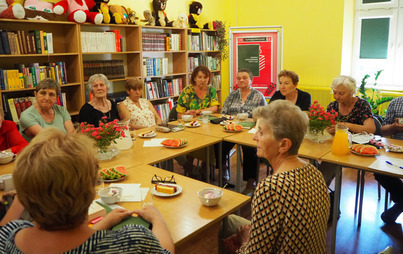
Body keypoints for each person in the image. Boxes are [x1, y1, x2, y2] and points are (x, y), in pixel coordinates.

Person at [0, 128, 175, 253]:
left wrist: (104, 223)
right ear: (92, 190)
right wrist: (157, 219)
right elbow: (165, 250)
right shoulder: (133, 242)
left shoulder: (9, 235)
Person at [219, 100, 329, 253]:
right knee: (230, 221)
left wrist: (245, 240)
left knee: (223, 225)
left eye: (261, 132)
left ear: (284, 145)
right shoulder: (314, 172)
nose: (254, 137)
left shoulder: (270, 188)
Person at [320, 75, 376, 186]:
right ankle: (320, 193)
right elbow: (326, 126)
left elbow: (371, 129)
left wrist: (344, 125)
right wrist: (329, 128)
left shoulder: (362, 105)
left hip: (355, 148)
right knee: (318, 164)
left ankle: (320, 193)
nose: (337, 96)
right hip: (335, 146)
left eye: (341, 93)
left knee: (327, 166)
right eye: (335, 92)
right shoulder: (333, 106)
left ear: (352, 92)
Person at [218, 68, 266, 193]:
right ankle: (223, 170)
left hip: (249, 132)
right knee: (218, 143)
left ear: (251, 80)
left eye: (244, 78)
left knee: (250, 149)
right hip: (231, 129)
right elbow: (224, 113)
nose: (241, 80)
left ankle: (251, 182)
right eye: (238, 78)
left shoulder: (258, 96)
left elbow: (264, 116)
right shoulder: (232, 95)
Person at [176, 65, 220, 177]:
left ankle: (205, 166)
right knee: (197, 139)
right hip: (190, 126)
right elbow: (179, 114)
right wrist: (186, 114)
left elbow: (215, 107)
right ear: (194, 78)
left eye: (205, 77)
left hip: (208, 126)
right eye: (199, 77)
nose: (203, 80)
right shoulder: (187, 91)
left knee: (213, 140)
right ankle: (192, 167)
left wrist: (199, 111)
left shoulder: (211, 90)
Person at [374, 96, 403, 224]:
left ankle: (400, 204)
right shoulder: (396, 102)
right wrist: (395, 127)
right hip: (398, 150)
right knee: (380, 171)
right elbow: (383, 131)